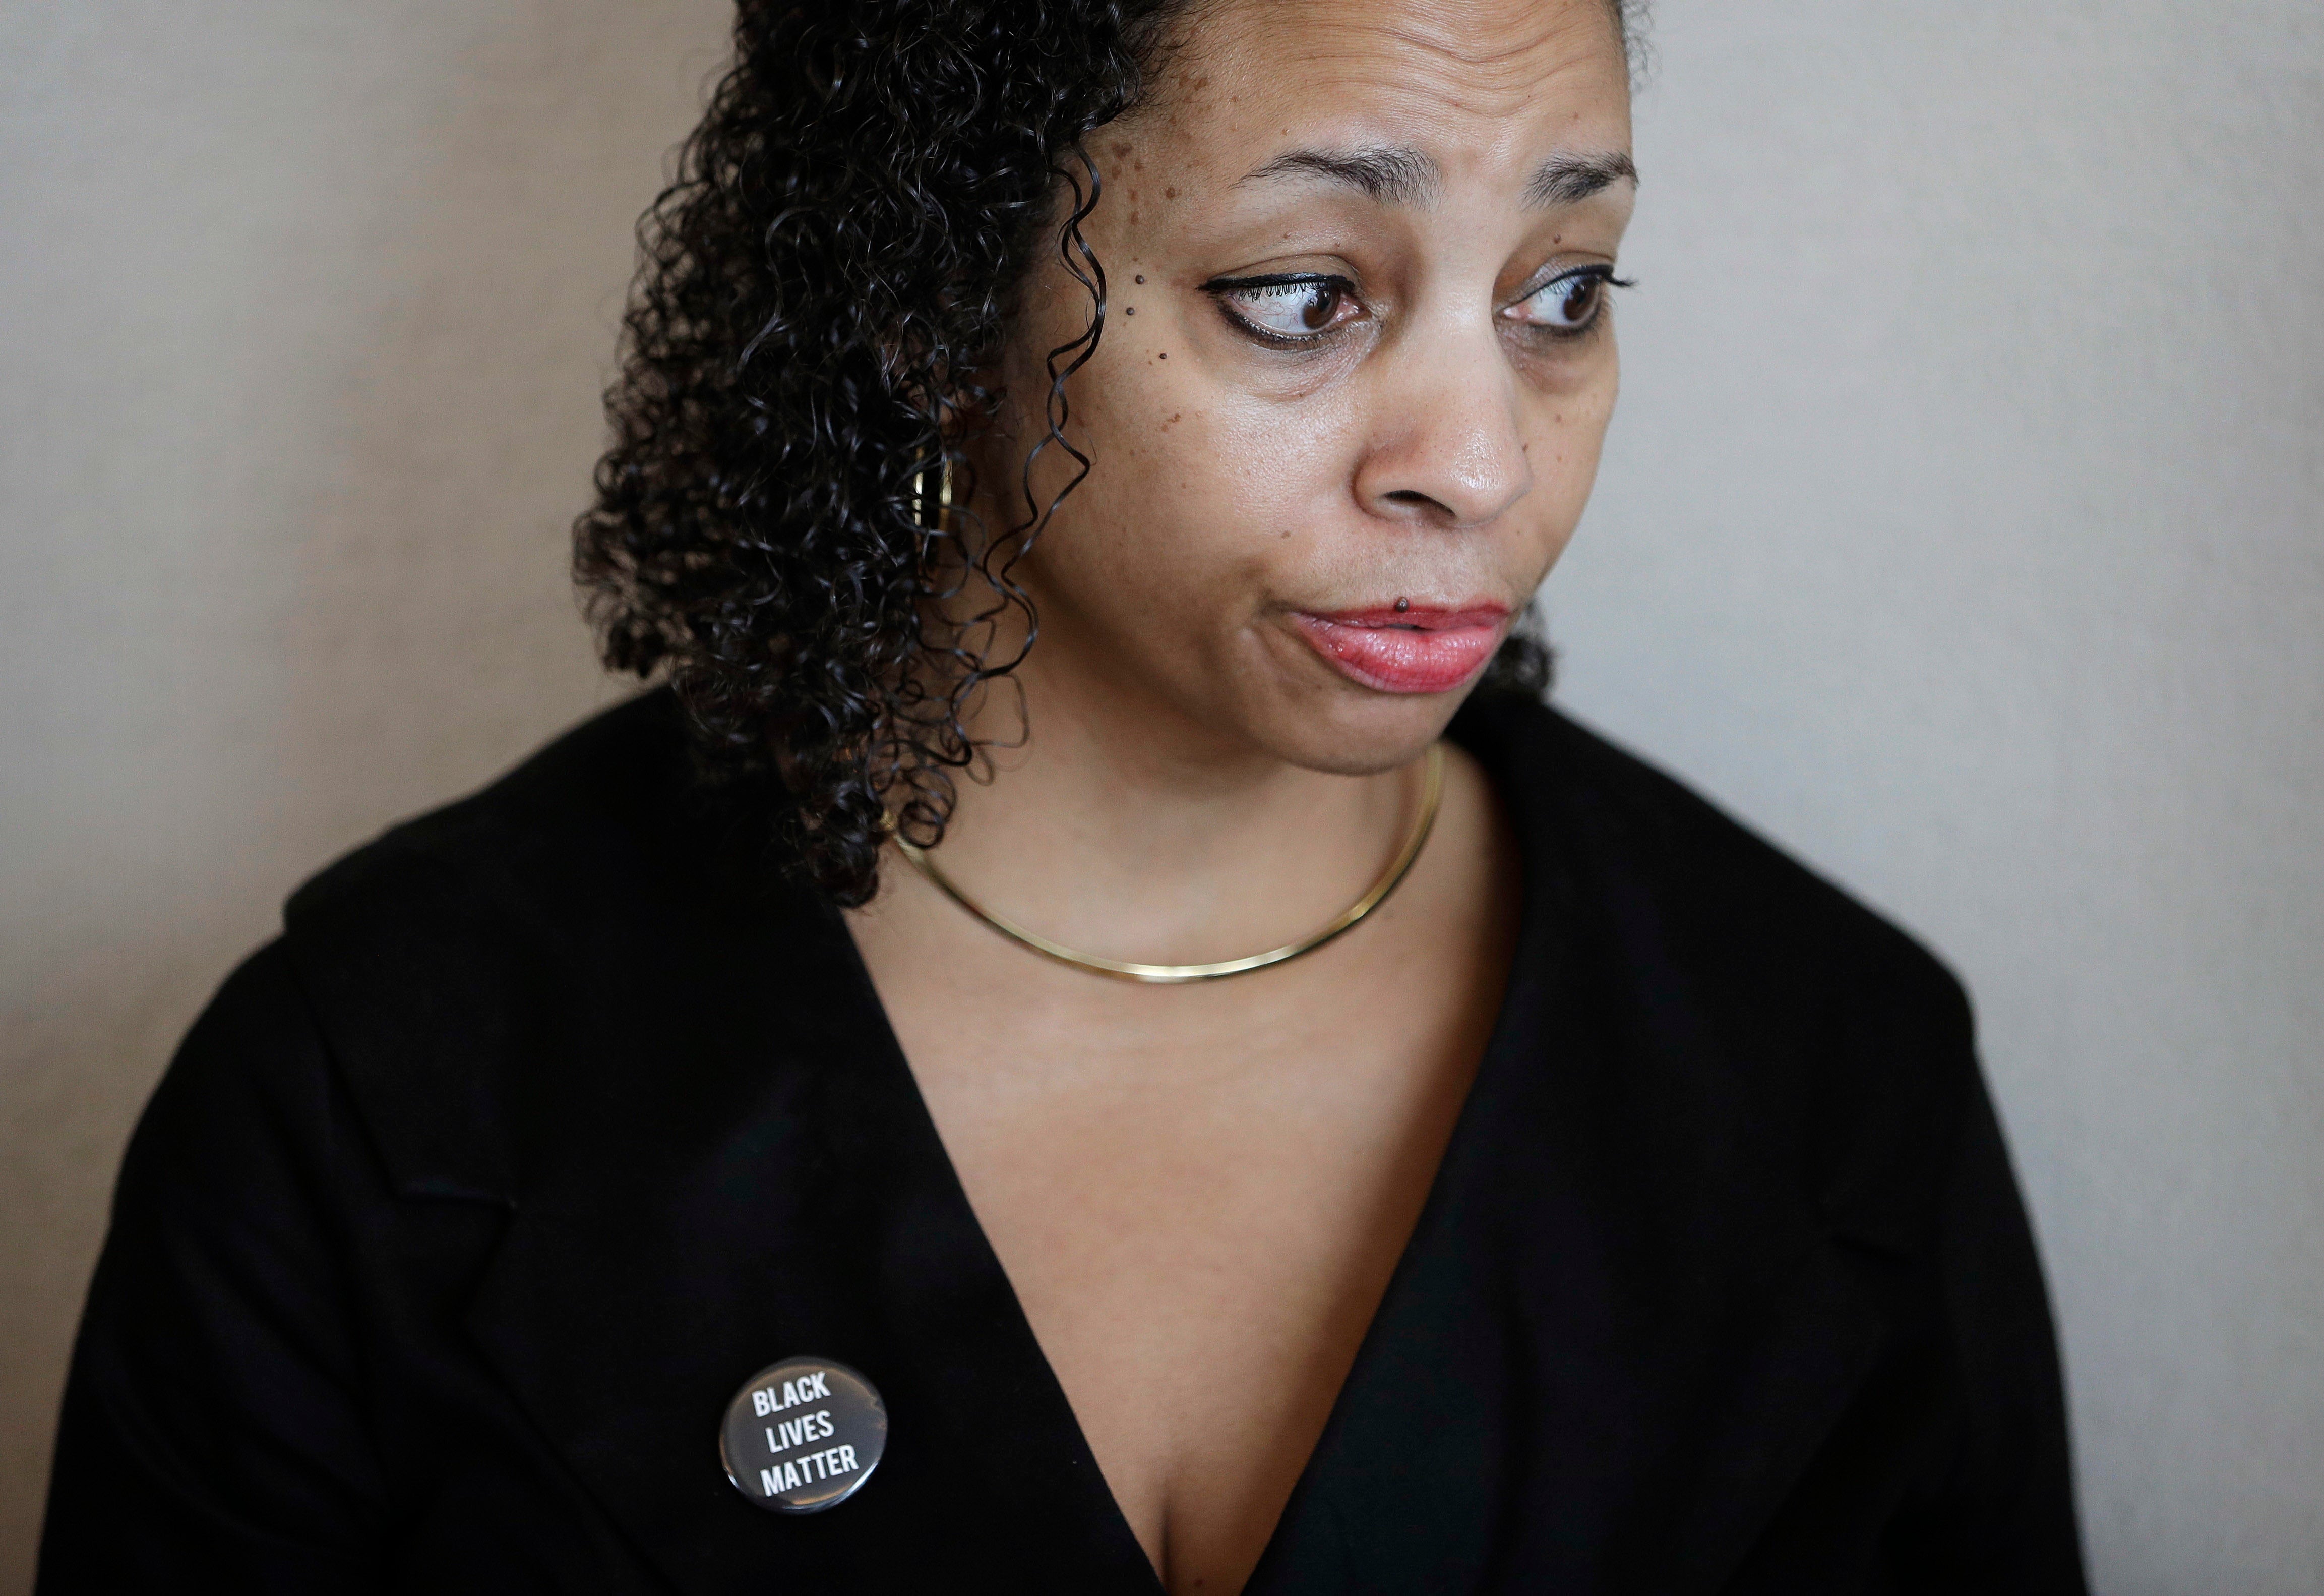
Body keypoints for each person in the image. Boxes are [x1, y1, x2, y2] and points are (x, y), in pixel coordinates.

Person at [38, 0, 2087, 1590]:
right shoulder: (384, 1097)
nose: (1480, 458)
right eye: (1303, 292)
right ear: (935, 302)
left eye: (1562, 291)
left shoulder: (1826, 1074)